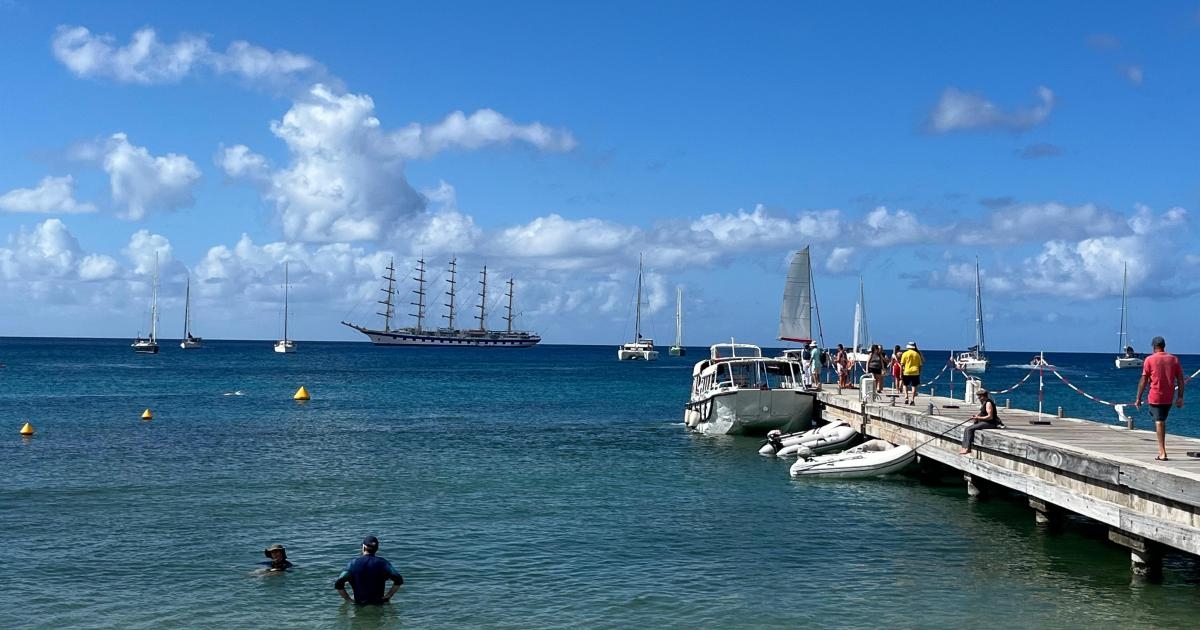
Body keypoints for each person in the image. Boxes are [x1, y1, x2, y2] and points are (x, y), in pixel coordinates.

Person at [1134, 336, 1185, 461]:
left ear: (1153, 347)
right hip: (1169, 397)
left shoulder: (1149, 360)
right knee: (1160, 419)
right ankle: (1162, 450)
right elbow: (1180, 380)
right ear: (1164, 346)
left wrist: (1138, 398)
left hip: (1155, 396)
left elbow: (1143, 380)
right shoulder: (1173, 359)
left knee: (1159, 421)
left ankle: (1162, 452)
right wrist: (1180, 397)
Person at [334, 535, 405, 605]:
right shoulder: (383, 563)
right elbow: (398, 579)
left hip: (359, 605)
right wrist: (388, 596)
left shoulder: (353, 564)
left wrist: (348, 600)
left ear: (364, 547)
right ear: (377, 548)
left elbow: (338, 583)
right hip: (378, 605)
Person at [959, 388, 1003, 454]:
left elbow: (990, 417)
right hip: (984, 421)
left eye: (979, 397)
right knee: (966, 429)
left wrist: (978, 417)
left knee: (969, 429)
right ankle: (964, 447)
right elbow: (983, 413)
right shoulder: (984, 402)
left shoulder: (988, 403)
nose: (978, 398)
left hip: (990, 423)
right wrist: (977, 417)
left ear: (983, 396)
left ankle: (968, 448)